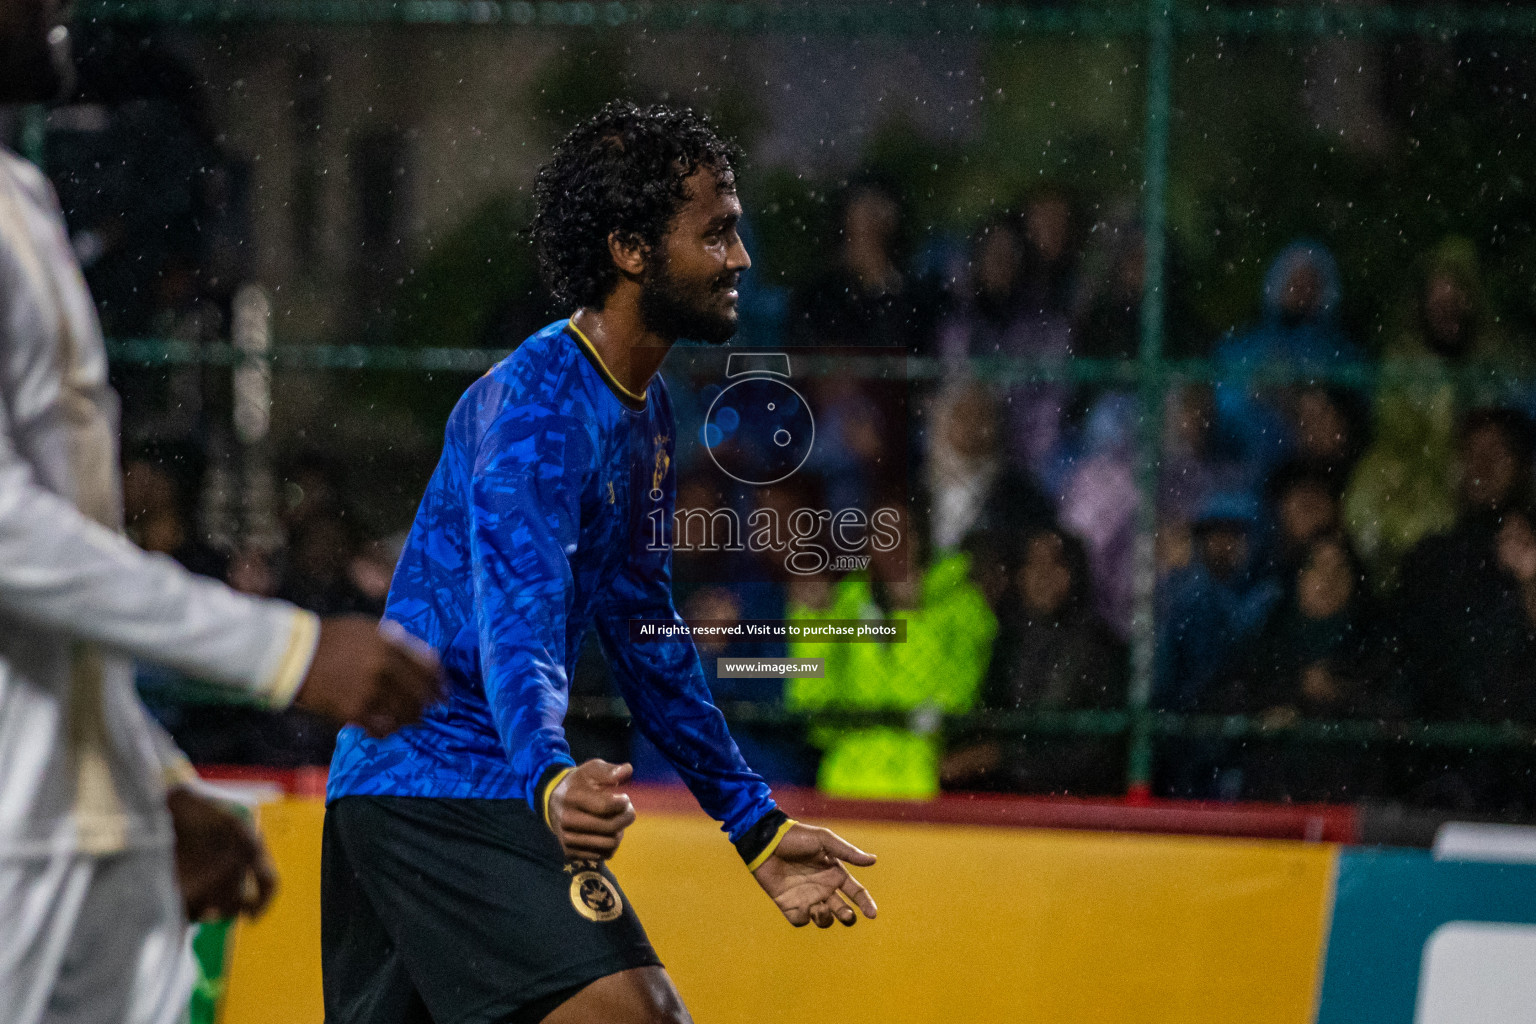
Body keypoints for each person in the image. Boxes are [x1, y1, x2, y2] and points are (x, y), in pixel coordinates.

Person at [322, 102, 879, 1024]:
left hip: (439, 789)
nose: (740, 261)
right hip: (438, 782)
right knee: (638, 1015)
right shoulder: (537, 410)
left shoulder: (644, 408)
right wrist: (546, 774)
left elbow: (644, 634)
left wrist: (756, 822)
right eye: (718, 233)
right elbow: (520, 626)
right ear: (630, 249)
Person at [0, 4, 443, 1022]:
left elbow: (60, 567)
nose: (56, 5)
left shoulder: (20, 200)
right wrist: (285, 651)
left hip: (79, 828)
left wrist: (149, 781)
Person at [942, 527, 1128, 796]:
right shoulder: (1003, 641)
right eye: (1033, 564)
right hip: (1005, 799)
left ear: (1074, 574)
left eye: (1055, 565)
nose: (1043, 576)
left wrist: (1003, 758)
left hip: (1076, 802)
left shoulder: (1099, 648)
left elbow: (1096, 751)